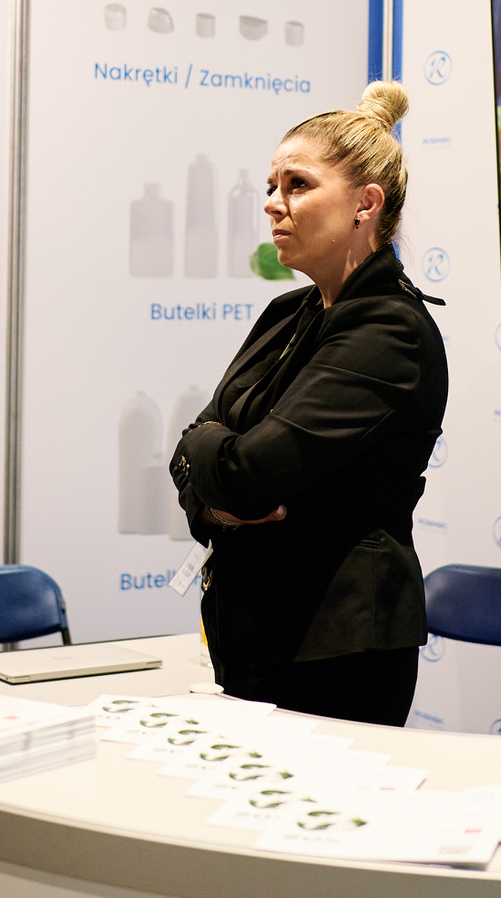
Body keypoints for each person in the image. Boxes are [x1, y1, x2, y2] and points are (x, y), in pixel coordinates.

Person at [167, 80, 446, 726]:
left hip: (334, 652)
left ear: (365, 204)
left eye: (297, 185)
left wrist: (208, 454)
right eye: (272, 185)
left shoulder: (390, 330)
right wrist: (211, 488)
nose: (273, 203)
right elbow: (200, 457)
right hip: (252, 636)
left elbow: (247, 473)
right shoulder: (284, 313)